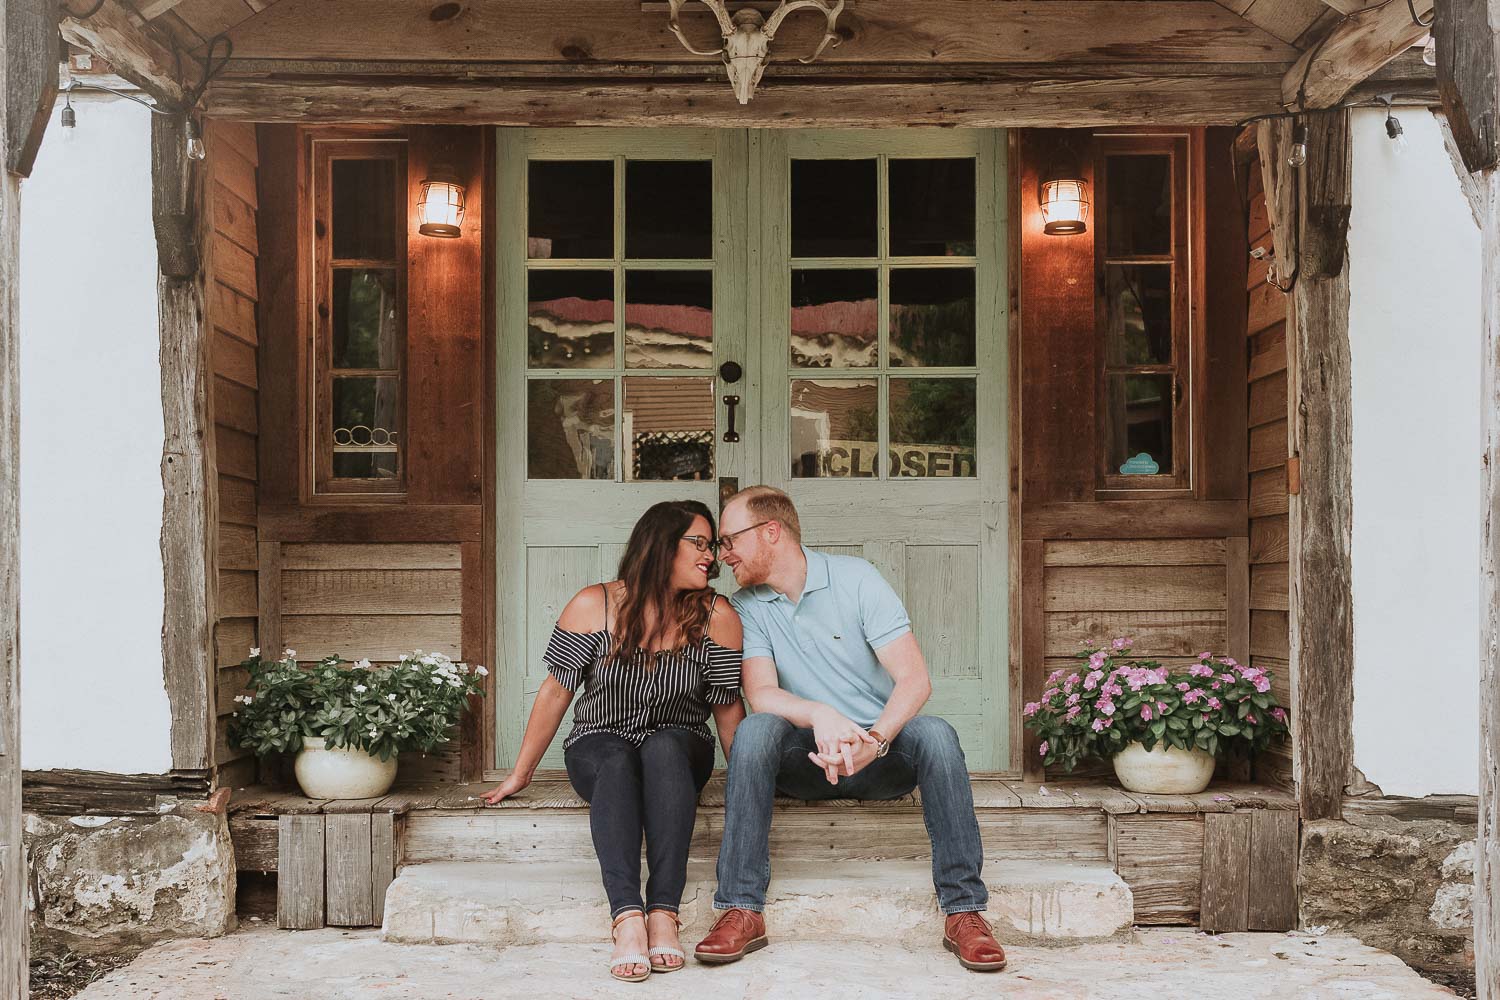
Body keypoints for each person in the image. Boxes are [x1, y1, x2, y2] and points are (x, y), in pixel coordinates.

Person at [693, 485, 1007, 973]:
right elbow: (762, 694)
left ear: (770, 531)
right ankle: (741, 908)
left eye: (730, 539)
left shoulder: (857, 579)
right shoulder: (749, 605)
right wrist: (821, 714)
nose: (723, 554)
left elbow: (914, 680)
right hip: (808, 763)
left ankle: (964, 911)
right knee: (756, 732)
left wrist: (876, 740)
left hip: (878, 757)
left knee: (937, 735)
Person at [483, 500, 745, 983]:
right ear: (661, 546)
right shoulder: (594, 605)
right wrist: (521, 772)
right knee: (618, 758)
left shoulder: (717, 615)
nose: (711, 556)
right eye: (700, 544)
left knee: (664, 746)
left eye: (713, 546)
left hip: (681, 748)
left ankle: (663, 912)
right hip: (599, 744)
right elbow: (556, 691)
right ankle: (627, 917)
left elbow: (729, 709)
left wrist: (745, 784)